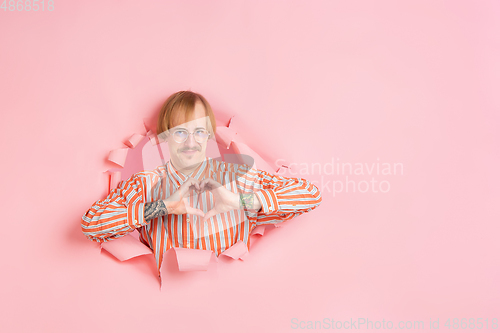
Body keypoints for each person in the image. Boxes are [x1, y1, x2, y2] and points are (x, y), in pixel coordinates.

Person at [81, 91, 322, 278]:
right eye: (179, 133)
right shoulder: (146, 183)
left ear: (208, 135)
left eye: (198, 131)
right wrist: (162, 207)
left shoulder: (237, 176)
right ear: (164, 137)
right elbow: (92, 225)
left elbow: (310, 194)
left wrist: (240, 201)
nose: (190, 142)